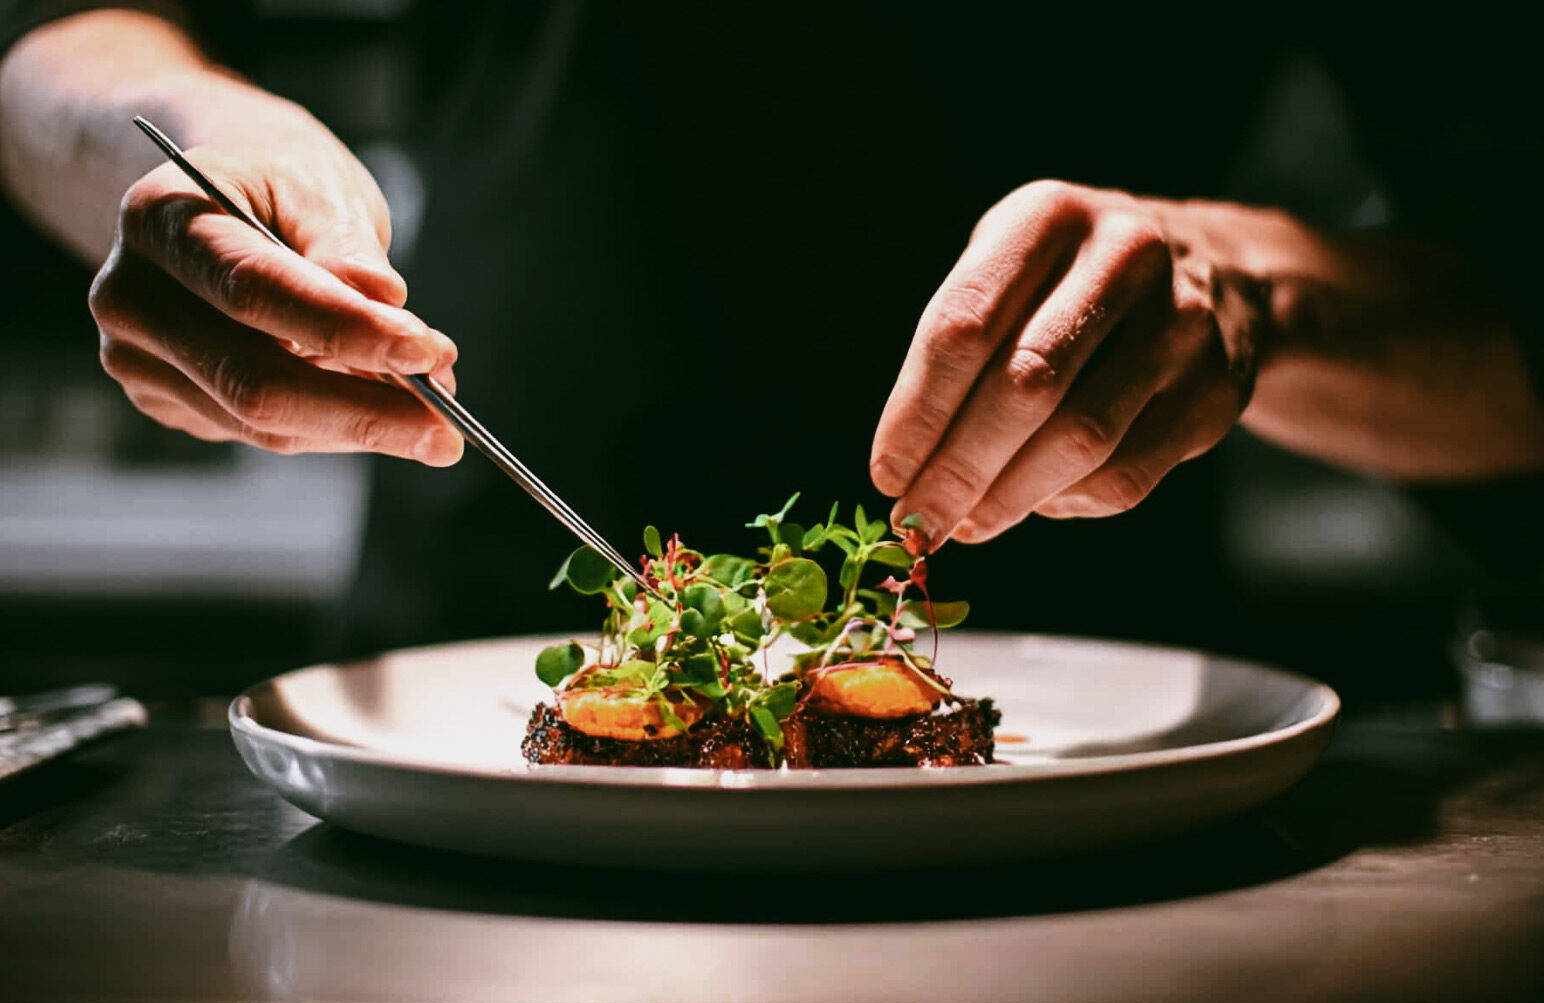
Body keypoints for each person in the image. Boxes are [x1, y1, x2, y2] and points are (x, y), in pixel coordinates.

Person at [4, 4, 1543, 656]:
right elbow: (58, 44)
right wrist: (181, 146)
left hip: (1091, 778)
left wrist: (1246, 292)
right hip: (456, 721)